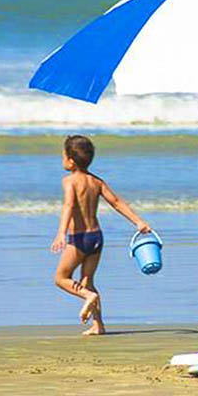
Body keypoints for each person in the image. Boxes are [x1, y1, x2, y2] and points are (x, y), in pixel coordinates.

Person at [49, 135, 150, 335]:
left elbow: (69, 205)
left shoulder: (69, 181)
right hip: (96, 238)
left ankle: (87, 296)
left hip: (78, 239)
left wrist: (61, 233)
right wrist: (138, 221)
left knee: (61, 278)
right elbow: (116, 202)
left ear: (70, 160)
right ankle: (99, 325)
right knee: (88, 280)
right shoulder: (96, 181)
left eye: (63, 155)